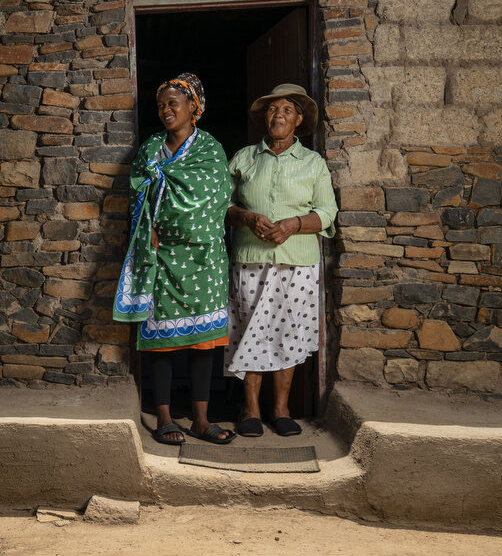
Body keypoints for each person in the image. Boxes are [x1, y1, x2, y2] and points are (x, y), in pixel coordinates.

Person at [114, 73, 235, 446]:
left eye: (173, 103)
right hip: (161, 255)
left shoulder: (210, 151)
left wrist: (186, 229)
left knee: (202, 343)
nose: (166, 110)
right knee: (161, 340)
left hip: (203, 257)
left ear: (193, 108)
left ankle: (201, 419)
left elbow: (216, 199)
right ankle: (164, 417)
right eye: (161, 105)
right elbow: (136, 196)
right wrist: (146, 226)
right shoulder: (151, 150)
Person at [224, 83, 337, 438]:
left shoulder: (313, 163)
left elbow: (327, 213)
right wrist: (247, 218)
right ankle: (251, 409)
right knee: (249, 329)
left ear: (298, 120)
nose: (278, 115)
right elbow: (221, 207)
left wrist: (294, 225)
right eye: (273, 109)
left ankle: (281, 409)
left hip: (297, 263)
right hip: (251, 260)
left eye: (287, 110)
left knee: (289, 332)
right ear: (264, 117)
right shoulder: (244, 158)